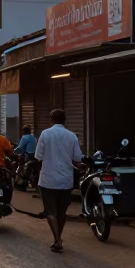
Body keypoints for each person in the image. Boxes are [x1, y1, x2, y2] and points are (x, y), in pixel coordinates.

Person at [35, 108, 83, 253]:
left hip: (48, 180)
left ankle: (57, 239)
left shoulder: (45, 134)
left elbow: (38, 156)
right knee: (61, 212)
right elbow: (78, 158)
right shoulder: (72, 136)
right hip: (65, 181)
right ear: (65, 120)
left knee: (50, 211)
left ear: (51, 119)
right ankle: (58, 238)